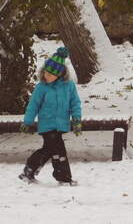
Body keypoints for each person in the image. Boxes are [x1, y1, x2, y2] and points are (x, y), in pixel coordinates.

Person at [19, 46, 82, 186]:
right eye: (46, 72)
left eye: (51, 74)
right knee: (59, 151)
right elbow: (33, 105)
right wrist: (27, 122)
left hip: (61, 124)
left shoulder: (69, 86)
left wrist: (76, 120)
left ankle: (29, 170)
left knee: (49, 150)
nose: (47, 76)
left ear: (59, 74)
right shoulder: (41, 87)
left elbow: (75, 104)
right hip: (47, 124)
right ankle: (64, 177)